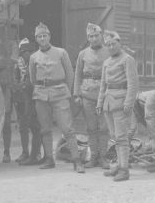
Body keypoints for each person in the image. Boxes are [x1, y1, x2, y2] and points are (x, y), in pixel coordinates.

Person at [29, 22, 84, 173]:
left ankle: (76, 160)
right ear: (36, 39)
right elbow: (32, 78)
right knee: (45, 129)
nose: (42, 39)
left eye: (44, 36)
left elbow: (70, 75)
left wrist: (66, 90)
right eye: (39, 37)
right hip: (41, 95)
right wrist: (42, 87)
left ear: (49, 37)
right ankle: (49, 159)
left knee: (67, 128)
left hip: (60, 94)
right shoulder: (34, 57)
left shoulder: (61, 53)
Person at [96, 30, 139, 181]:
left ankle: (124, 170)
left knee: (121, 138)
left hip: (121, 103)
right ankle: (119, 166)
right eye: (108, 45)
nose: (111, 47)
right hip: (108, 102)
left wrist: (129, 102)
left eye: (113, 44)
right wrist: (100, 102)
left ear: (119, 43)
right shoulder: (106, 62)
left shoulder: (128, 60)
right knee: (115, 137)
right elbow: (103, 85)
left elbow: (133, 84)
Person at [73, 23, 110, 168]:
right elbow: (77, 75)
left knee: (103, 127)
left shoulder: (109, 52)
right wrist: (77, 94)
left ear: (101, 36)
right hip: (87, 94)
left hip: (104, 94)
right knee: (91, 127)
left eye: (96, 36)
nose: (93, 39)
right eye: (90, 36)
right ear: (87, 38)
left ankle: (104, 158)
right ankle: (93, 157)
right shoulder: (83, 54)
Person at [9, 38, 43, 165]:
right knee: (23, 126)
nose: (26, 55)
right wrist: (18, 87)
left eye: (28, 52)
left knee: (35, 126)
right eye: (23, 52)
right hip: (21, 99)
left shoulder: (35, 63)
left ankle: (37, 154)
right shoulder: (18, 65)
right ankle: (25, 152)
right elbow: (15, 80)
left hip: (33, 98)